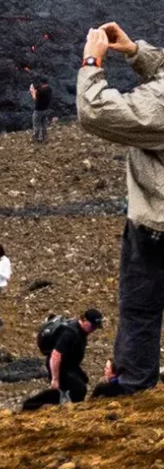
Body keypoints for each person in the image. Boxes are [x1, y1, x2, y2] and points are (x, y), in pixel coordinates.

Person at [76, 22, 164, 396]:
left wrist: (92, 61)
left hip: (156, 226)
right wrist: (135, 52)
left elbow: (96, 111)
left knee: (141, 308)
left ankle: (133, 386)